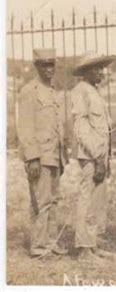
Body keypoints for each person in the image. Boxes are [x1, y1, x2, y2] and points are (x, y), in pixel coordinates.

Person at [17, 48, 68, 259]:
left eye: (52, 64)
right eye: (45, 65)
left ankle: (50, 241)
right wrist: (32, 158)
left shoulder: (52, 91)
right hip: (40, 155)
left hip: (54, 155)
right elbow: (26, 127)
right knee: (41, 201)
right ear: (37, 66)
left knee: (54, 200)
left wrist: (63, 152)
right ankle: (38, 246)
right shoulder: (30, 91)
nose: (49, 69)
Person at [71, 51, 116, 262]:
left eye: (102, 68)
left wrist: (106, 158)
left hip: (100, 156)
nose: (101, 72)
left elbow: (102, 128)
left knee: (98, 200)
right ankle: (83, 249)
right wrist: (97, 157)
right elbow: (81, 128)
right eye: (96, 68)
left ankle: (93, 244)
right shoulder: (80, 92)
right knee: (86, 200)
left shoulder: (94, 91)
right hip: (90, 156)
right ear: (86, 71)